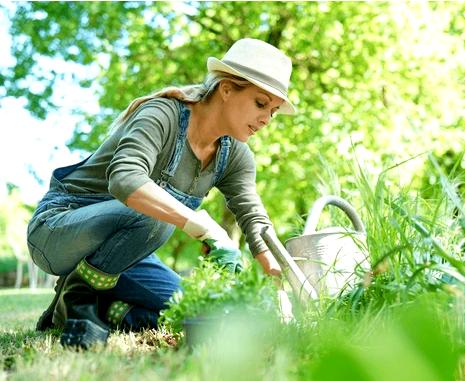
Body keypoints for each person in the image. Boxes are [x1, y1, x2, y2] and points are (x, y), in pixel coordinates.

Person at [26, 38, 295, 349]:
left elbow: (253, 216)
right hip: (59, 229)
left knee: (195, 311)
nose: (266, 119)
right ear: (226, 89)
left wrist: (276, 279)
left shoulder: (235, 155)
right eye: (260, 104)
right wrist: (203, 226)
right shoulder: (163, 115)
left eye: (273, 111)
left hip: (125, 252)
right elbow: (125, 180)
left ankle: (91, 309)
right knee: (155, 217)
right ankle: (79, 296)